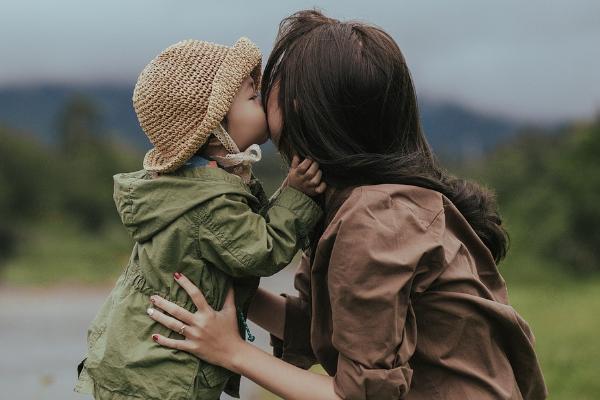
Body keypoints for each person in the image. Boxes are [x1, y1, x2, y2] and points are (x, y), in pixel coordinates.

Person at [145, 10, 548, 400]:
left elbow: (359, 395)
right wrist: (230, 283)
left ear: (303, 108)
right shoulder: (369, 200)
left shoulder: (376, 218)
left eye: (270, 88)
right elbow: (330, 326)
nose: (261, 96)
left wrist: (231, 350)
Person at [74, 37, 326, 400]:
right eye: (254, 98)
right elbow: (260, 250)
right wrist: (298, 198)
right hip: (161, 380)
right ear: (214, 130)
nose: (265, 101)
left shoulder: (194, 185)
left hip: (138, 364)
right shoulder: (207, 202)